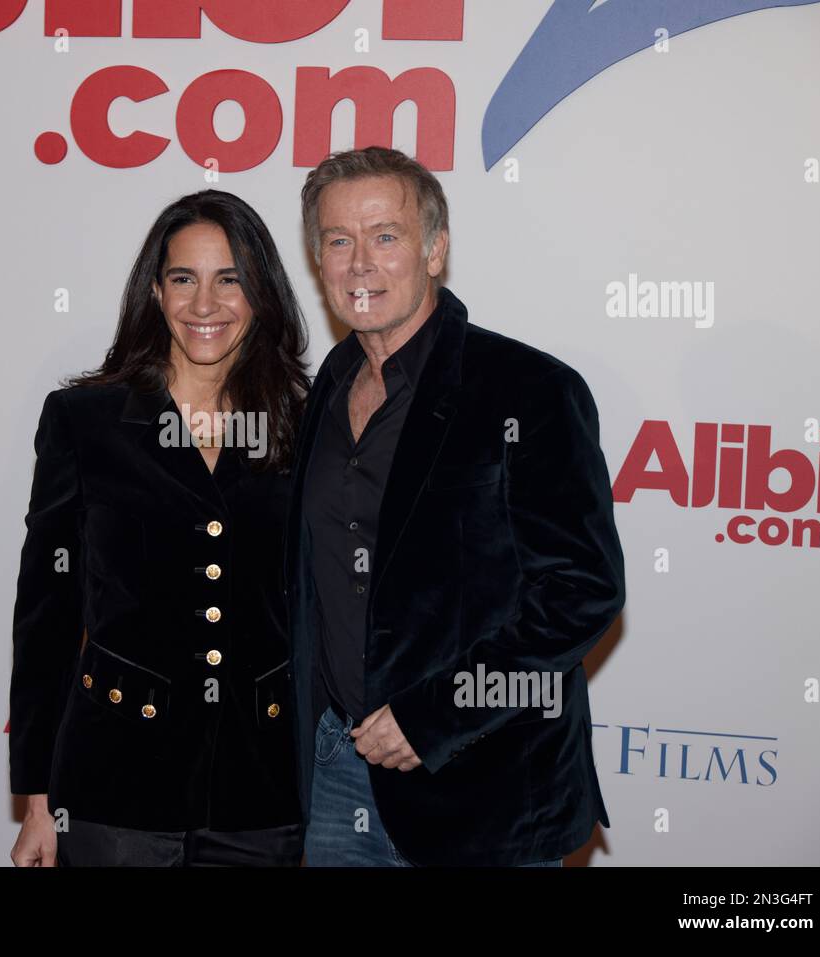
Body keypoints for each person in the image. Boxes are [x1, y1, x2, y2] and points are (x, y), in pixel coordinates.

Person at [287, 146, 626, 866]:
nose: (359, 263)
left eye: (385, 236)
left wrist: (435, 715)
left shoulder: (527, 391)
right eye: (338, 241)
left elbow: (583, 592)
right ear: (317, 259)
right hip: (333, 772)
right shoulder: (327, 386)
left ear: (435, 249)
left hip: (484, 793)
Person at [9, 189, 310, 866]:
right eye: (184, 279)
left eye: (229, 279)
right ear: (155, 289)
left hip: (261, 795)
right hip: (115, 787)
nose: (205, 305)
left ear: (261, 292)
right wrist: (36, 798)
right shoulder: (84, 423)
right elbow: (47, 617)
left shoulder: (306, 426)